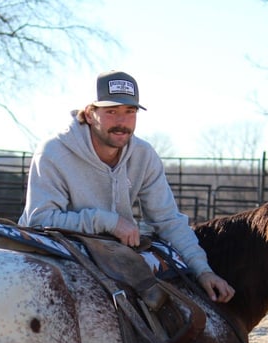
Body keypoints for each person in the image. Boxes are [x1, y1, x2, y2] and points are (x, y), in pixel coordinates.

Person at [18, 70, 234, 303]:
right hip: (55, 253)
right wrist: (109, 222)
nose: (122, 122)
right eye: (111, 111)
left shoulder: (143, 155)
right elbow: (39, 220)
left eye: (130, 111)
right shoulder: (53, 152)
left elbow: (168, 220)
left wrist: (203, 271)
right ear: (89, 114)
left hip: (112, 255)